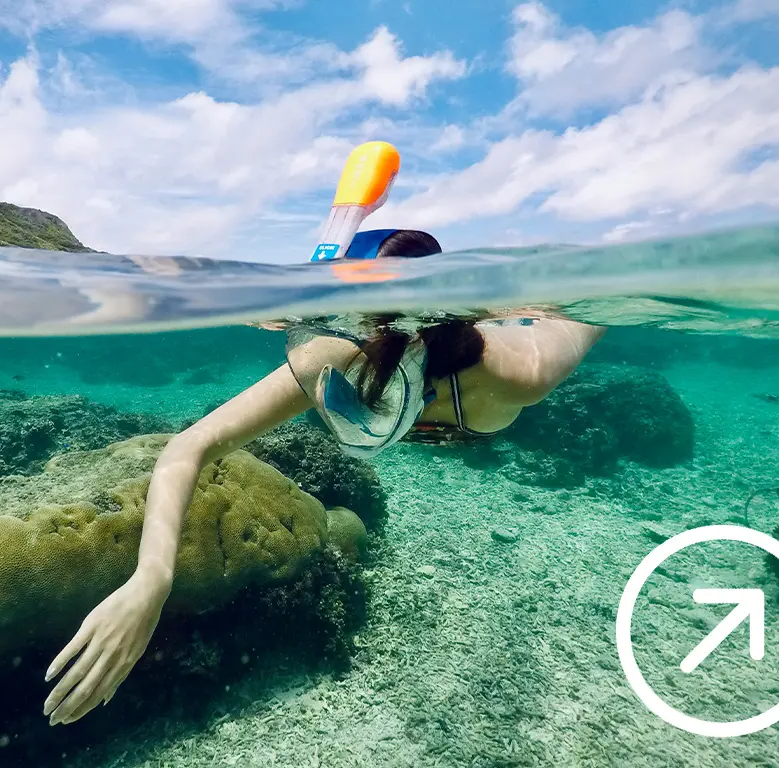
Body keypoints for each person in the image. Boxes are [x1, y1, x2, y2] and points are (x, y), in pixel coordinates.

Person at [41, 228, 606, 726]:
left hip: (483, 375)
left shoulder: (520, 372)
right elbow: (190, 447)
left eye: (368, 401)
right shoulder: (330, 355)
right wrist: (152, 578)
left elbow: (591, 313)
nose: (345, 406)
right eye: (344, 397)